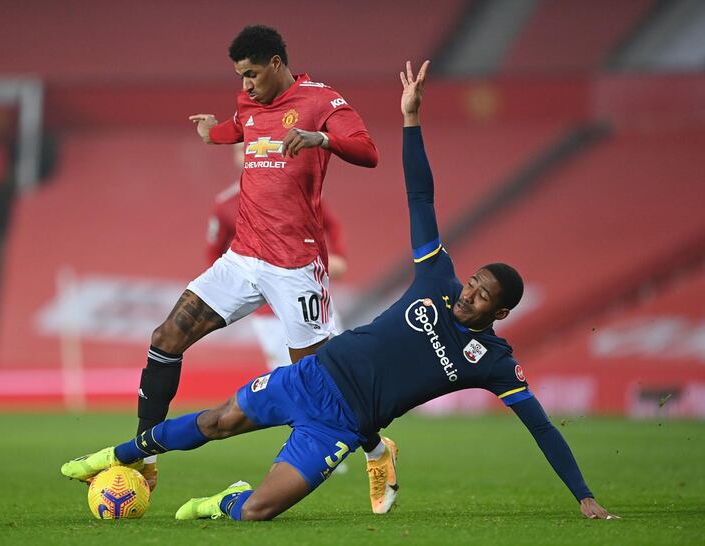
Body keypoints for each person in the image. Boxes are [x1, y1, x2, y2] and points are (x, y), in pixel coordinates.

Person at [64, 61, 617, 522]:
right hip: (312, 375)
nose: (468, 293)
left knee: (257, 512)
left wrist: (585, 497)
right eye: (472, 282)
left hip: (341, 424)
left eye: (481, 295)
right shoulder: (435, 277)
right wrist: (411, 119)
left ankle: (223, 501)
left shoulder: (493, 362)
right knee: (216, 421)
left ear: (501, 311)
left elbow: (542, 427)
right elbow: (420, 197)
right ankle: (114, 454)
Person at [135, 24, 389, 507]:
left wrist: (320, 139)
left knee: (318, 387)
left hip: (296, 266)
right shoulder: (249, 103)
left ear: (276, 62)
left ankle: (377, 448)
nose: (246, 85)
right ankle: (146, 457)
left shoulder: (322, 100)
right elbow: (240, 126)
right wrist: (213, 133)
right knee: (165, 339)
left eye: (252, 74)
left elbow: (369, 152)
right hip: (243, 257)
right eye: (240, 77)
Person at [206, 145, 349, 370]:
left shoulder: (300, 189)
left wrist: (338, 256)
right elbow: (214, 255)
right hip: (268, 312)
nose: (246, 154)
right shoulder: (226, 204)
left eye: (250, 147)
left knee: (335, 363)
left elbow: (331, 223)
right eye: (239, 150)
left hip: (310, 294)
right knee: (287, 375)